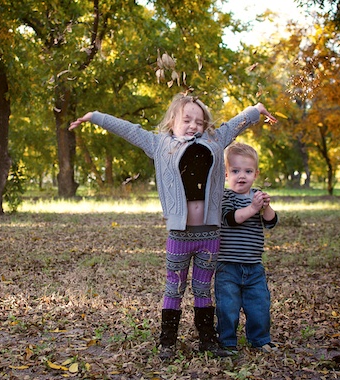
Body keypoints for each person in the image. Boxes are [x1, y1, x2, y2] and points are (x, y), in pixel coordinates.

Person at [69, 94, 277, 359]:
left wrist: (256, 110)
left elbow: (235, 124)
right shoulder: (160, 144)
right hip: (180, 234)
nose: (193, 126)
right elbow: (129, 130)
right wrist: (95, 116)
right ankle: (167, 341)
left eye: (199, 122)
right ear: (172, 121)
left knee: (203, 289)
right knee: (174, 288)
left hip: (210, 235)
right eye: (187, 120)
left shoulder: (214, 141)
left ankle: (207, 341)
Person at [215, 142, 279, 354]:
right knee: (227, 307)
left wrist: (266, 207)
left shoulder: (257, 195)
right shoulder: (225, 196)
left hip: (254, 266)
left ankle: (260, 339)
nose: (241, 176)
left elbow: (271, 222)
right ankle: (227, 341)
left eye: (248, 171)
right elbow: (232, 219)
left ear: (256, 174)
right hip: (228, 266)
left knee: (259, 305)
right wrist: (253, 207)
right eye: (235, 171)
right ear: (226, 174)